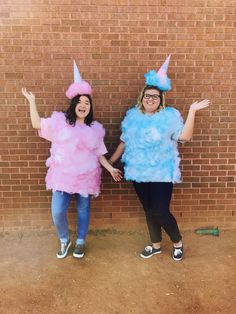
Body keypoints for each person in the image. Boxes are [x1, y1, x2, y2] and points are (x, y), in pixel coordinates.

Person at [109, 55, 210, 261]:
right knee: (148, 210)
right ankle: (155, 244)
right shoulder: (132, 116)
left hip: (162, 173)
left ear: (160, 99)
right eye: (147, 96)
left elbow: (184, 137)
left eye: (155, 96)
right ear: (142, 97)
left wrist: (192, 111)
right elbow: (124, 142)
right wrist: (110, 162)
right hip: (138, 172)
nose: (150, 99)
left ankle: (177, 242)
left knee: (161, 210)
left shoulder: (169, 116)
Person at [22, 61, 122, 259]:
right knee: (57, 211)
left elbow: (99, 154)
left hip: (86, 177)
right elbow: (36, 123)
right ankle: (64, 239)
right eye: (80, 102)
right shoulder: (59, 123)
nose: (83, 105)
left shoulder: (95, 129)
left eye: (87, 103)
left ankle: (80, 242)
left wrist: (110, 168)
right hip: (62, 177)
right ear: (73, 104)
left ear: (90, 107)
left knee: (83, 210)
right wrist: (32, 102)